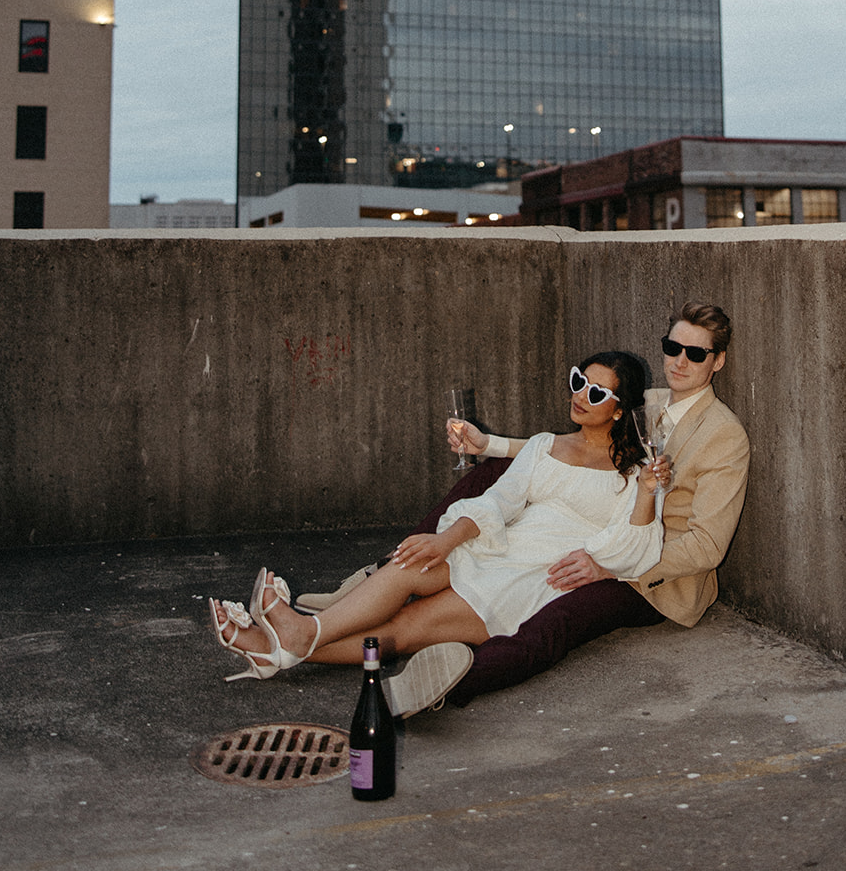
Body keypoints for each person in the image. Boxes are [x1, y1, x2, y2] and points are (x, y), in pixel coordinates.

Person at [297, 301, 750, 708]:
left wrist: (610, 564)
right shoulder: (645, 403)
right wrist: (489, 443)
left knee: (556, 618)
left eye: (696, 353)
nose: (680, 361)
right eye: (674, 348)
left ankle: (451, 683)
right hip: (595, 531)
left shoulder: (723, 435)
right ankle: (390, 568)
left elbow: (708, 548)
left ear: (718, 361)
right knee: (489, 472)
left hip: (651, 575)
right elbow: (567, 453)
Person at [209, 351, 666, 713]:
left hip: (534, 575)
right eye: (578, 382)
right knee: (411, 562)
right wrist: (446, 539)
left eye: (598, 392)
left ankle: (284, 645)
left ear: (620, 409)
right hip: (497, 544)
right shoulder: (546, 445)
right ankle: (296, 637)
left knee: (406, 629)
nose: (582, 395)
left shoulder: (638, 471)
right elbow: (498, 502)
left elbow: (636, 548)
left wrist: (646, 493)